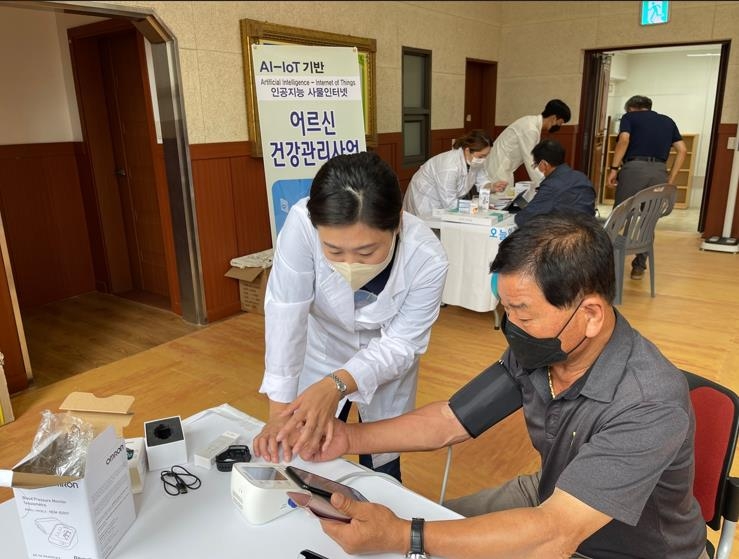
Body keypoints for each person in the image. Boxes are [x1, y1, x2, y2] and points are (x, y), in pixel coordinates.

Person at [296, 212, 707, 559]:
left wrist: (405, 534)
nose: (511, 328)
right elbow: (447, 421)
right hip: (551, 498)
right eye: (505, 309)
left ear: (592, 315)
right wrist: (348, 437)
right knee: (423, 531)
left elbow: (553, 535)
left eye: (523, 315)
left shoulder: (649, 402)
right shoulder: (545, 350)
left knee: (412, 539)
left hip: (627, 549)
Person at [253, 150, 448, 482]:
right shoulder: (302, 225)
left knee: (381, 460)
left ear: (398, 222)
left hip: (387, 368)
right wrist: (279, 413)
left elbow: (401, 345)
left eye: (367, 251)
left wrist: (338, 383)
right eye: (333, 251)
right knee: (307, 450)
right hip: (323, 351)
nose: (350, 264)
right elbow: (286, 314)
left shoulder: (427, 258)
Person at [607, 94, 687, 280]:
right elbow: (682, 150)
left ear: (631, 108)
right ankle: (639, 266)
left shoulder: (629, 118)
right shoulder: (668, 121)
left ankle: (607, 264)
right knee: (648, 218)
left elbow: (624, 140)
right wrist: (671, 178)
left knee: (619, 215)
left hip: (634, 169)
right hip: (660, 171)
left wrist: (613, 168)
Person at [402, 129, 506, 219]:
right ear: (467, 150)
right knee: (425, 233)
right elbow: (450, 204)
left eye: (486, 156)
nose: (484, 159)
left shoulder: (474, 160)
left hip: (444, 203)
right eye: (481, 156)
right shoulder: (449, 167)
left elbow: (482, 182)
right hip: (426, 201)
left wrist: (492, 187)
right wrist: (477, 206)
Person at [486, 98, 571, 192]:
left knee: (505, 198)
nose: (559, 126)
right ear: (554, 118)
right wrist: (546, 185)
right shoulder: (530, 129)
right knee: (499, 201)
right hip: (498, 168)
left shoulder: (531, 123)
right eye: (560, 123)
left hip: (503, 167)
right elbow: (531, 162)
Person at [513, 139, 595, 228]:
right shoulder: (581, 176)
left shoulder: (552, 185)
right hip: (589, 229)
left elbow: (523, 219)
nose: (536, 168)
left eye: (536, 164)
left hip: (568, 236)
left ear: (544, 164)